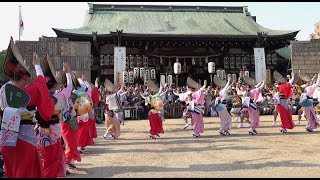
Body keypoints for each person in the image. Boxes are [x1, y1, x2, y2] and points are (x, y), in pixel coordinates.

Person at [0, 37, 54, 178]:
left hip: (6, 138)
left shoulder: (3, 90)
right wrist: (37, 65)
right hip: (24, 140)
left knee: (11, 171)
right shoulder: (28, 92)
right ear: (25, 77)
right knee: (26, 173)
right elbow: (41, 83)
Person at [36, 54, 71, 177]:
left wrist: (37, 66)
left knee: (46, 158)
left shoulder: (40, 96)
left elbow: (40, 82)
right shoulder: (60, 96)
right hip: (55, 128)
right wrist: (67, 73)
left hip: (42, 129)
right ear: (55, 85)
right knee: (55, 158)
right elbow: (70, 87)